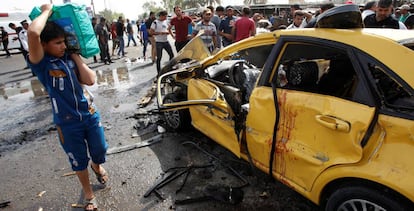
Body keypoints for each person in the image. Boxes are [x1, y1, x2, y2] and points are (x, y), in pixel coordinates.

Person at [27, 4, 109, 211]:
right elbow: (33, 33)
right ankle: (89, 194)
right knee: (78, 160)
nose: (63, 46)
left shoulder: (68, 59)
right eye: (57, 43)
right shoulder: (42, 64)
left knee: (100, 150)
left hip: (90, 115)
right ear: (44, 45)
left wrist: (74, 55)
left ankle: (97, 166)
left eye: (64, 41)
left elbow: (90, 80)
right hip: (67, 123)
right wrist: (46, 11)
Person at [150, 10, 174, 76]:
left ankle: (169, 69)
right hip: (159, 42)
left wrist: (169, 33)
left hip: (166, 41)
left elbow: (169, 29)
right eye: (165, 16)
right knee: (159, 58)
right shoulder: (155, 22)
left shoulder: (166, 22)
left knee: (172, 55)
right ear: (161, 16)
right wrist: (160, 33)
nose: (166, 18)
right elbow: (151, 32)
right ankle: (159, 72)